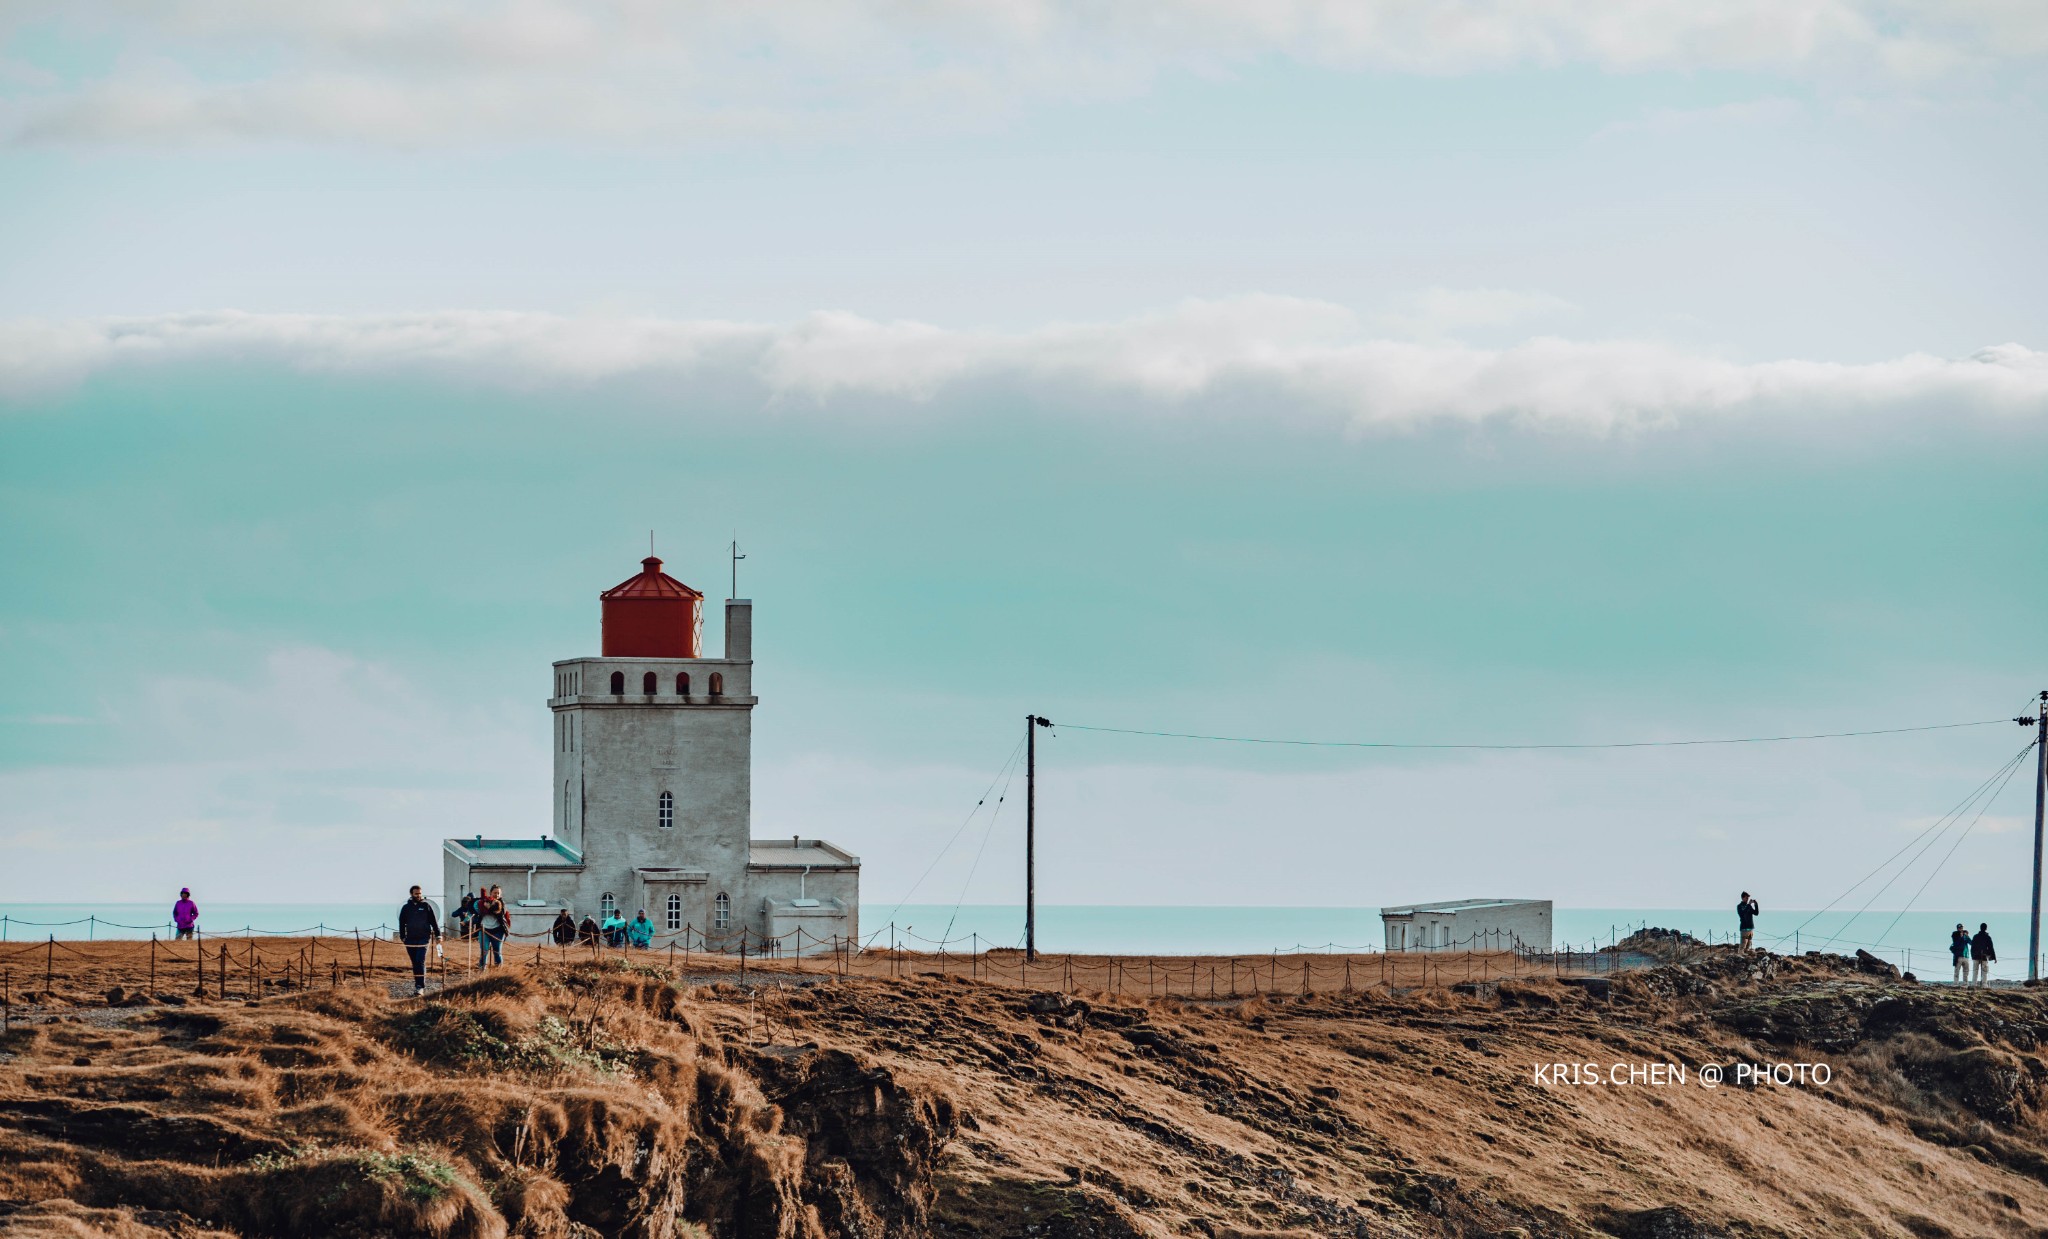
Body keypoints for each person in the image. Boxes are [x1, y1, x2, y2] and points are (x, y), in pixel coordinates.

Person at [397, 886, 442, 997]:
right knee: (415, 963)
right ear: (411, 894)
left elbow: (434, 922)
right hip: (410, 938)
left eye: (420, 893)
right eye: (416, 893)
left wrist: (438, 935)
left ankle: (420, 987)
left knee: (420, 960)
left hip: (424, 938)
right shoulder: (406, 908)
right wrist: (403, 937)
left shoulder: (426, 906)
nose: (419, 895)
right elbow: (401, 923)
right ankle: (417, 984)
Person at [475, 885, 507, 968]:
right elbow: (477, 909)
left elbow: (500, 912)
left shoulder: (501, 903)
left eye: (498, 893)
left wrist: (490, 908)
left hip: (498, 931)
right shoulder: (484, 901)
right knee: (484, 951)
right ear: (490, 893)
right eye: (495, 893)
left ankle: (498, 972)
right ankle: (482, 970)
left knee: (497, 952)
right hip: (484, 930)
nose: (496, 895)